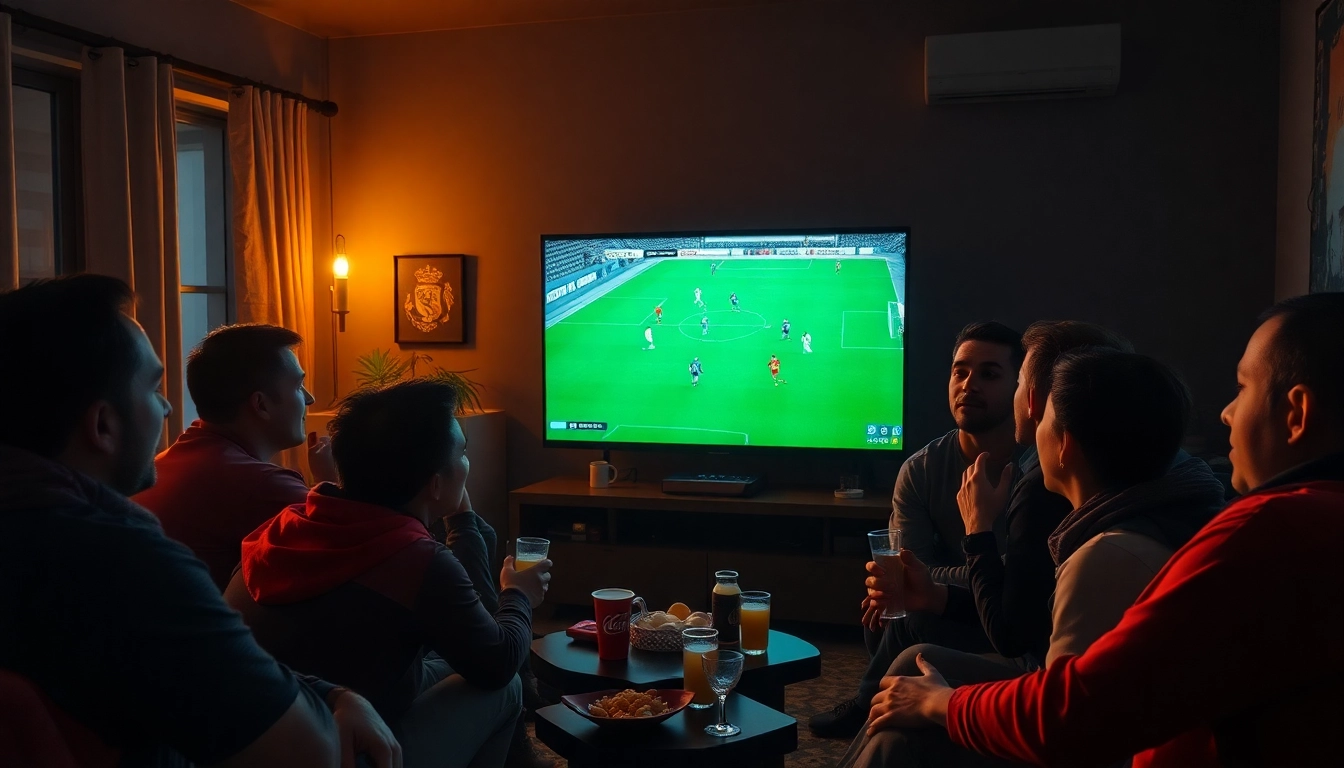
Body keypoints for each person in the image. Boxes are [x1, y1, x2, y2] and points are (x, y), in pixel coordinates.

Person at [864, 294, 1344, 768]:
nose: (1226, 413)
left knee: (902, 728)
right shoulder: (1258, 510)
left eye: (1242, 388)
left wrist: (942, 704)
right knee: (912, 666)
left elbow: (1068, 713)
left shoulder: (1255, 533)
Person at [0, 275, 399, 768]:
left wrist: (327, 691)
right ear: (103, 425)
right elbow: (308, 752)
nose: (168, 406)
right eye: (153, 388)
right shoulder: (123, 561)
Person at [841, 348, 1226, 768]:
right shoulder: (1126, 516)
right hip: (1061, 704)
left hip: (1075, 740)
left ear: (1065, 446)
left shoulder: (1105, 556)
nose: (1029, 426)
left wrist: (945, 704)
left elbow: (1062, 726)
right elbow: (1033, 620)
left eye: (1043, 419)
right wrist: (937, 596)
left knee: (902, 737)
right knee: (911, 671)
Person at [226, 379, 553, 768]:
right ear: (434, 482)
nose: (468, 463)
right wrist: (517, 593)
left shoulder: (281, 527)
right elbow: (498, 663)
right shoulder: (414, 559)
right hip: (350, 751)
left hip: (258, 740)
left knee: (451, 658)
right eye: (463, 453)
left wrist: (457, 513)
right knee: (503, 689)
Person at [810, 321, 1025, 738]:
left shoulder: (1037, 469)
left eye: (989, 374)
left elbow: (1020, 572)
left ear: (1020, 386)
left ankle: (866, 702)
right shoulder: (921, 470)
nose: (969, 384)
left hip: (1012, 612)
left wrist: (930, 584)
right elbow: (909, 567)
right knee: (886, 605)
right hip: (946, 605)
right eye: (960, 371)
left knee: (907, 614)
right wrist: (914, 584)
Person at [132, 324, 334, 590]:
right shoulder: (264, 487)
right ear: (261, 404)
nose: (309, 398)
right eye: (298, 385)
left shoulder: (171, 460)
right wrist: (329, 485)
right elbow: (347, 547)